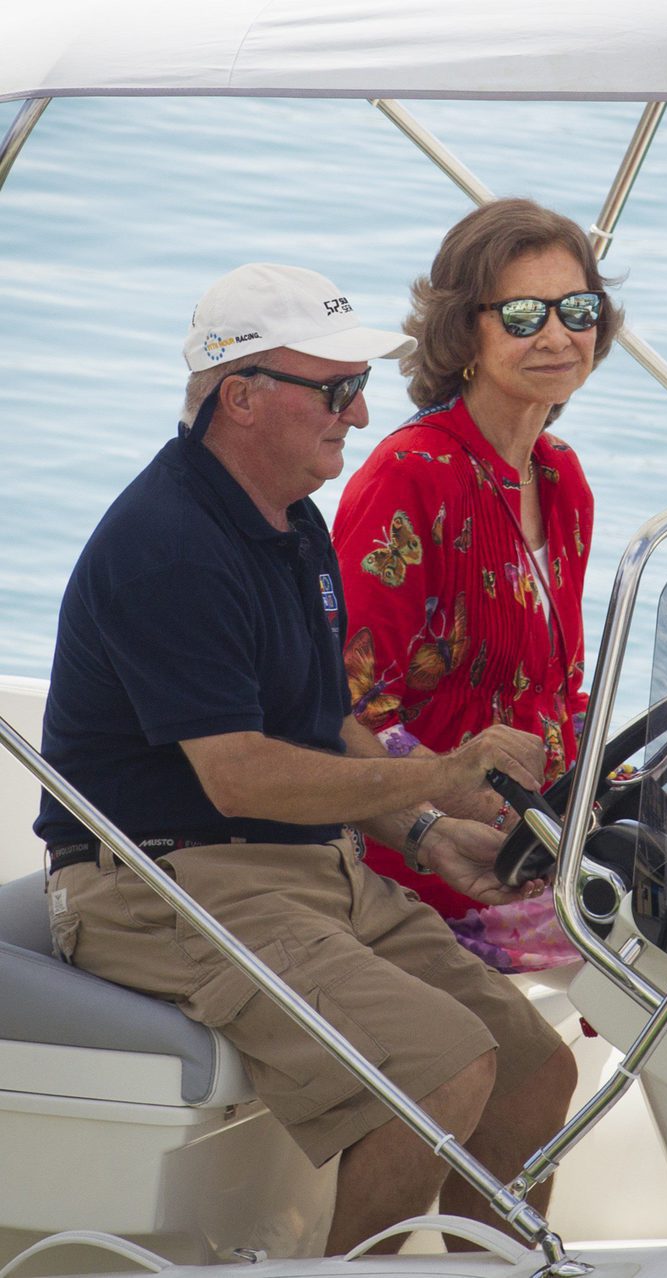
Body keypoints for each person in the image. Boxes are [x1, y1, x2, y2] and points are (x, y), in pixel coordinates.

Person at [35, 262, 577, 1254]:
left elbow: (320, 722)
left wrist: (424, 833)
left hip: (299, 868)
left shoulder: (291, 521)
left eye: (356, 386)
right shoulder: (170, 549)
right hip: (161, 879)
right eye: (334, 391)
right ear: (240, 397)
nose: (363, 413)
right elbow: (239, 774)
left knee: (536, 1069)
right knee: (438, 1072)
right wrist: (446, 774)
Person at [332, 200, 624, 971]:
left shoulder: (562, 478)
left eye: (578, 309)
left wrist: (623, 785)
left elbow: (557, 697)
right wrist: (461, 806)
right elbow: (346, 703)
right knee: (664, 946)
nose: (559, 335)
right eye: (525, 314)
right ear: (465, 331)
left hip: (536, 847)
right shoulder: (411, 476)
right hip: (424, 864)